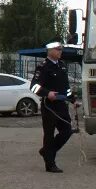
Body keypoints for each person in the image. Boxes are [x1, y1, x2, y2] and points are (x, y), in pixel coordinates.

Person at [30, 40, 77, 173]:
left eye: (61, 49)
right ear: (50, 51)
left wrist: (73, 100)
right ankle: (50, 164)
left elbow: (66, 87)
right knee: (49, 135)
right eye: (57, 49)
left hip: (61, 105)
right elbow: (33, 86)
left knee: (67, 131)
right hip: (49, 105)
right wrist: (47, 93)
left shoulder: (62, 66)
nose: (60, 52)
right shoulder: (43, 67)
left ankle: (46, 151)